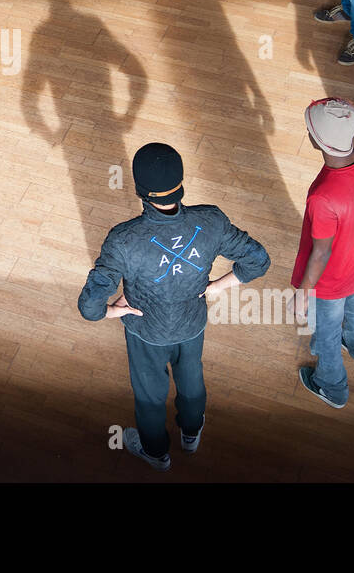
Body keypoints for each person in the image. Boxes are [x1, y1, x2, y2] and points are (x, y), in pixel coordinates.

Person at [78, 143, 271, 470]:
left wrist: (113, 311)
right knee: (191, 376)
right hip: (191, 322)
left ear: (141, 190)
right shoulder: (211, 220)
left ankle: (156, 453)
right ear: (181, 183)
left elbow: (90, 307)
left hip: (145, 330)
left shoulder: (123, 239)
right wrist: (216, 287)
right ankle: (191, 433)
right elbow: (258, 261)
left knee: (150, 395)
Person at [293, 99, 354, 409]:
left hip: (331, 283)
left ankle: (332, 386)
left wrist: (303, 294)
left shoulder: (323, 195)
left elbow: (320, 254)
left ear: (316, 140)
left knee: (328, 333)